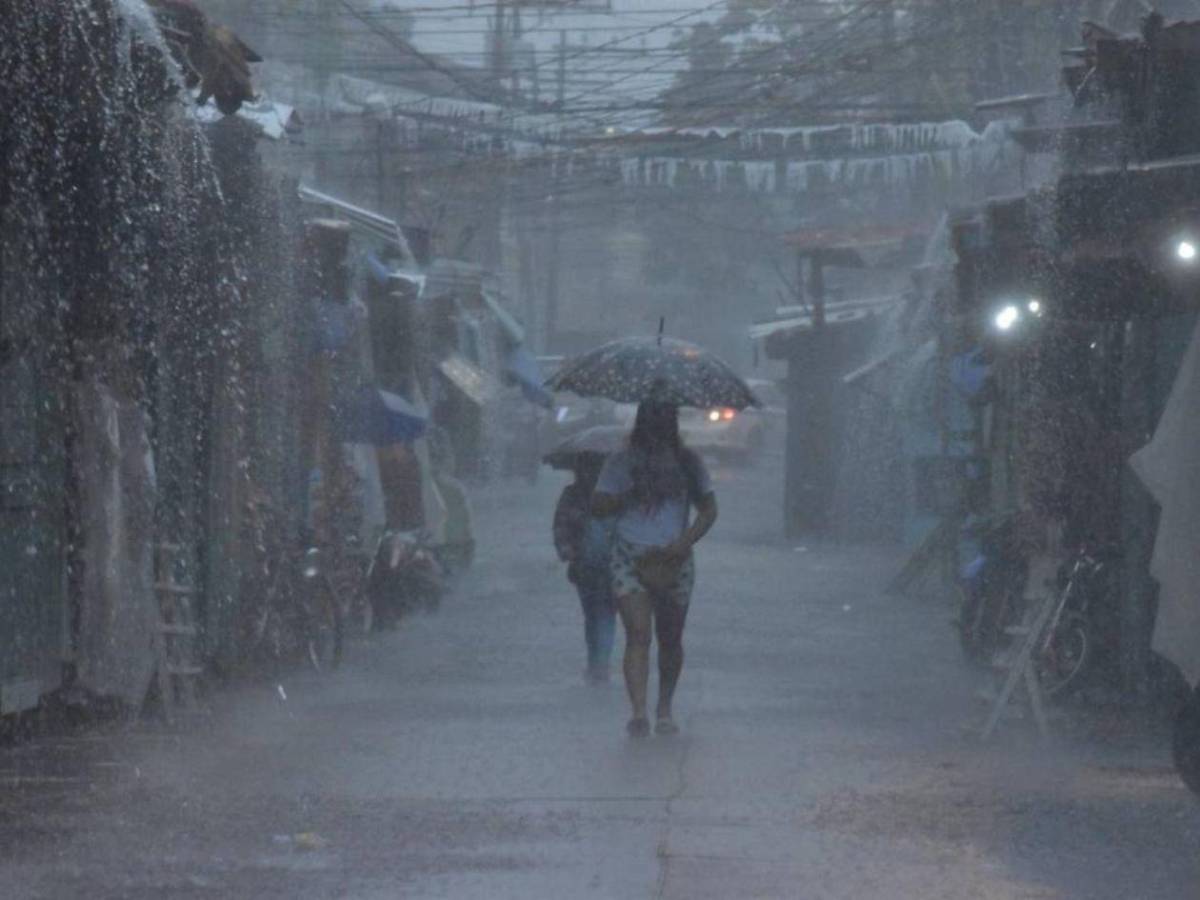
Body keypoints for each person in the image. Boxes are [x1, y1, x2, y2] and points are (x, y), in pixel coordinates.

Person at [592, 402, 718, 737]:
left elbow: (709, 509)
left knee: (670, 637)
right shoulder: (621, 462)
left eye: (664, 421)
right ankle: (638, 711)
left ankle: (664, 706)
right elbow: (599, 505)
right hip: (629, 555)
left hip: (675, 558)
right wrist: (631, 491)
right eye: (652, 421)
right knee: (637, 633)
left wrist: (686, 541)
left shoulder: (689, 463)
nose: (658, 429)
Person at [553, 456, 616, 683]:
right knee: (595, 615)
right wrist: (567, 550)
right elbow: (561, 526)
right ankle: (596, 661)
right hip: (586, 566)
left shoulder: (617, 493)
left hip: (611, 566)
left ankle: (600, 663)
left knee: (603, 614)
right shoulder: (573, 495)